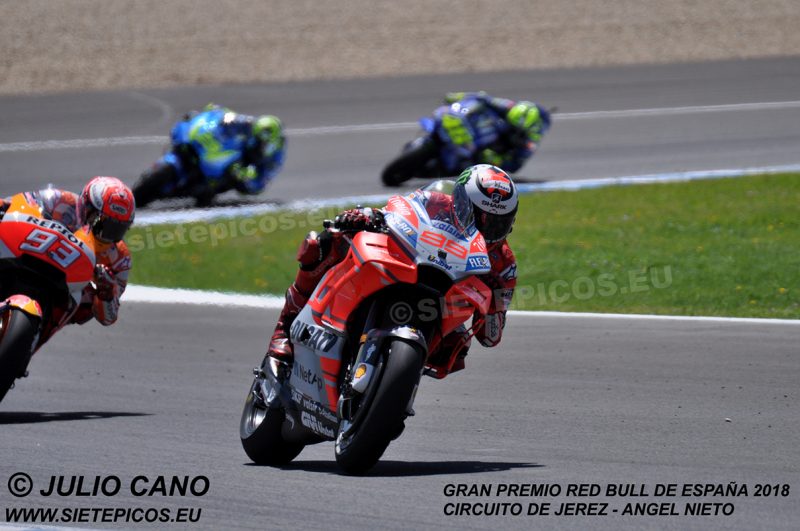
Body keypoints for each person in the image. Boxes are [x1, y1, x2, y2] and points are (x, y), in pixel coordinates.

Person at [266, 164, 518, 377]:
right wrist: (365, 215)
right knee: (325, 242)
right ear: (461, 200)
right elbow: (396, 213)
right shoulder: (437, 201)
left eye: (498, 223)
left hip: (441, 307)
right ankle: (284, 328)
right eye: (479, 217)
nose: (487, 230)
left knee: (458, 343)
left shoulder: (503, 263)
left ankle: (397, 382)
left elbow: (490, 338)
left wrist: (496, 301)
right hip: (409, 265)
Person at [0, 177, 135, 328]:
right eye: (102, 224)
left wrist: (107, 291)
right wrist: (3, 206)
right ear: (86, 207)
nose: (107, 235)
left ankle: (38, 327)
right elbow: (20, 204)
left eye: (117, 229)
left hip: (63, 289)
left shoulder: (119, 258)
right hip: (32, 252)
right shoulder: (62, 201)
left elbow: (108, 318)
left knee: (87, 304)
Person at [176, 103, 286, 201]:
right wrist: (216, 111)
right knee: (193, 120)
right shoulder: (248, 124)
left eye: (263, 143)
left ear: (273, 143)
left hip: (238, 169)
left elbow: (260, 184)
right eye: (258, 140)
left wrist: (246, 177)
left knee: (206, 193)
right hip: (225, 150)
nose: (259, 144)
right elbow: (226, 116)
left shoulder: (275, 158)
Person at [438, 91, 551, 174]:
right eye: (511, 125)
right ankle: (456, 123)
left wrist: (497, 161)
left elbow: (515, 165)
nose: (512, 129)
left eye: (515, 129)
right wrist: (458, 97)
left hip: (484, 154)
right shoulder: (508, 106)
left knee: (466, 169)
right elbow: (483, 97)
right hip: (480, 131)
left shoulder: (529, 142)